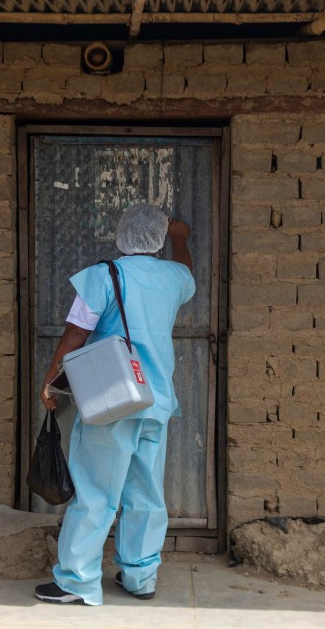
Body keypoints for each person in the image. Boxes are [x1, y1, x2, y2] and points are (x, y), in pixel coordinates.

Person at [33, 202, 195, 606]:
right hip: (156, 402)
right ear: (157, 237)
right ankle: (140, 577)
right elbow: (186, 268)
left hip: (114, 401)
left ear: (122, 234)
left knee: (95, 492)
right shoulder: (174, 278)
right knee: (146, 492)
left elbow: (75, 336)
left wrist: (52, 381)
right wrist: (179, 238)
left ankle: (76, 581)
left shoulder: (105, 276)